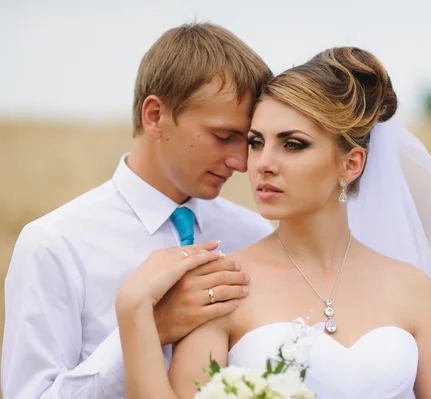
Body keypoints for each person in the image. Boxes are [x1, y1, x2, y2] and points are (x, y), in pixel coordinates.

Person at [116, 47, 431, 398]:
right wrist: (133, 310)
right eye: (256, 142)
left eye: (293, 144)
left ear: (351, 164)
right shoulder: (223, 286)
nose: (261, 163)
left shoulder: (413, 288)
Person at [1, 23, 275, 399]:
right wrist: (147, 330)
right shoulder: (53, 244)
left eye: (247, 142)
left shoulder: (257, 236)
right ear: (155, 115)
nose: (241, 162)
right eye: (223, 136)